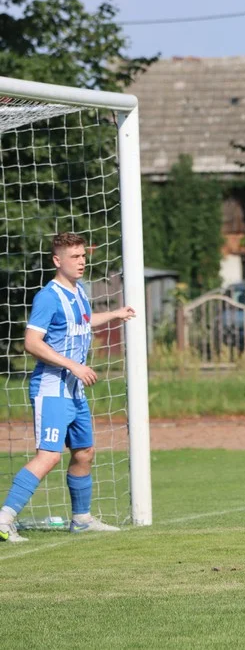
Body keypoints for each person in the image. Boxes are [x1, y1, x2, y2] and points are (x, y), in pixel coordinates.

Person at [0, 232, 135, 542]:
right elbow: (32, 343)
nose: (82, 261)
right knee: (49, 456)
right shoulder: (48, 297)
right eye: (74, 257)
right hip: (51, 388)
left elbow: (82, 322)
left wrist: (115, 313)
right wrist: (74, 365)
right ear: (57, 261)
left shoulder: (80, 291)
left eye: (83, 256)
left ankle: (82, 519)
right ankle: (5, 518)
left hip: (74, 391)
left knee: (85, 452)